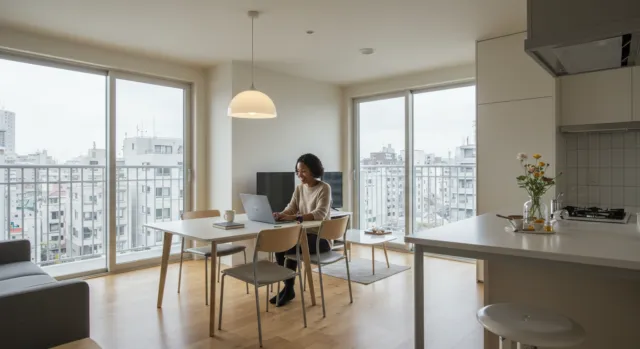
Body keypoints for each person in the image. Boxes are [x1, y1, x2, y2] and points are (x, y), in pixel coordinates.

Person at [271, 153, 332, 306]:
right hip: (303, 235)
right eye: (298, 171)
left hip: (321, 238)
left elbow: (320, 214)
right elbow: (291, 208)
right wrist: (281, 214)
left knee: (290, 246)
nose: (300, 175)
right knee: (281, 245)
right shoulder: (299, 189)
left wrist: (294, 218)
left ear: (313, 170)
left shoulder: (324, 188)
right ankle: (288, 287)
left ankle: (288, 289)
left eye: (304, 171)